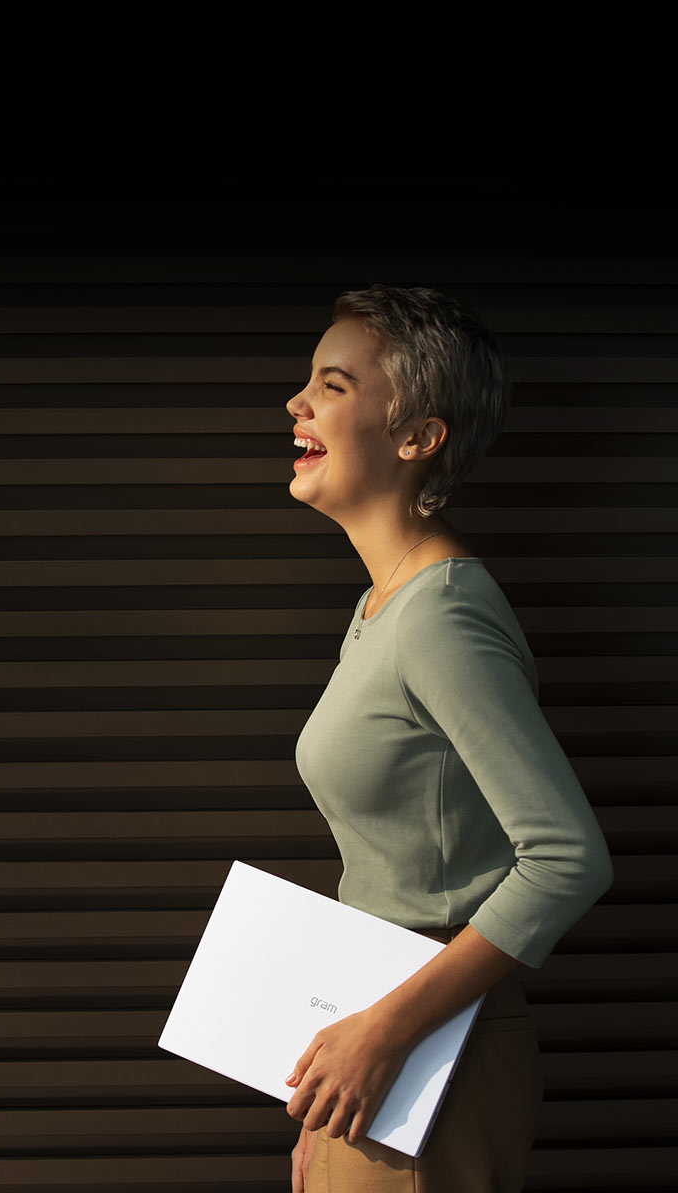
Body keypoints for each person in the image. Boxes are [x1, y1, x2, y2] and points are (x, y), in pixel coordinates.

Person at [283, 285, 614, 1193]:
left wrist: (384, 1035)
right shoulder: (382, 606)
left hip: (434, 1059)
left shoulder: (442, 616)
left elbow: (567, 858)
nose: (296, 403)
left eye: (333, 385)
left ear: (416, 436)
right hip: (382, 1057)